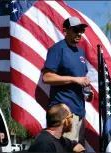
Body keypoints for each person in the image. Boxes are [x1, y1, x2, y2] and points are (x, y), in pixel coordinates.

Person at [42, 16, 94, 146]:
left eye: (82, 30)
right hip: (63, 113)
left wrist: (88, 92)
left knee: (78, 149)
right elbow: (47, 77)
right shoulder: (57, 49)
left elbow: (81, 79)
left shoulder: (80, 52)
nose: (79, 33)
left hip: (79, 111)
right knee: (66, 149)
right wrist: (74, 79)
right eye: (76, 29)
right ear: (65, 31)